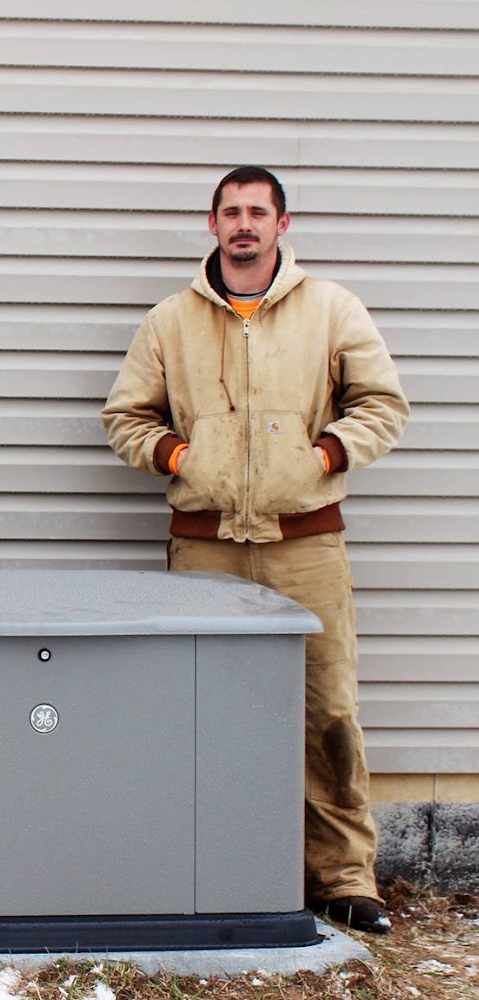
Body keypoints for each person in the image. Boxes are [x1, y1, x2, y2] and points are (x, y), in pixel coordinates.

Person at [102, 166, 409, 934]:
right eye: (231, 213)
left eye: (257, 213)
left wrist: (326, 457)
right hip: (203, 550)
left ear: (282, 223)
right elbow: (125, 416)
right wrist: (180, 458)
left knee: (324, 710)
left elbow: (382, 403)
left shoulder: (332, 309)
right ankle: (195, 864)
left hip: (305, 547)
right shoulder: (171, 320)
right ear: (212, 226)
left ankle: (344, 878)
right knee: (195, 710)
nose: (244, 225)